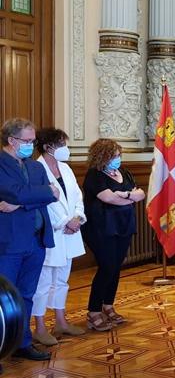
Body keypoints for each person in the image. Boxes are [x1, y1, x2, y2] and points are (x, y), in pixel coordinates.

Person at [0, 118, 59, 361]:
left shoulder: (35, 167)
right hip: (10, 243)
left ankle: (22, 343)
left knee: (27, 295)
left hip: (36, 241)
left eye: (33, 140)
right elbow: (16, 192)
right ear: (12, 140)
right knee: (4, 301)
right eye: (27, 141)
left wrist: (18, 203)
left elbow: (53, 194)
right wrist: (32, 196)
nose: (31, 145)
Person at [82, 139, 145, 331]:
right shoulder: (94, 175)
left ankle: (108, 305)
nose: (118, 159)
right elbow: (107, 198)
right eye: (114, 155)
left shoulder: (123, 172)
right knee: (107, 267)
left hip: (123, 225)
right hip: (101, 228)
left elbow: (140, 194)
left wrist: (124, 196)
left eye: (119, 155)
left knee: (116, 266)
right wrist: (128, 196)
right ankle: (93, 311)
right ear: (102, 156)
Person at [31, 128, 86, 345]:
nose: (66, 149)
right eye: (62, 145)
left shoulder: (66, 168)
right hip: (52, 231)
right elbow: (45, 202)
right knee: (44, 281)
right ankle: (40, 326)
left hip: (71, 231)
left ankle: (61, 321)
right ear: (48, 147)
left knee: (62, 279)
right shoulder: (37, 169)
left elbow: (77, 196)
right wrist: (65, 222)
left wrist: (78, 217)